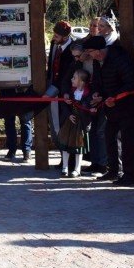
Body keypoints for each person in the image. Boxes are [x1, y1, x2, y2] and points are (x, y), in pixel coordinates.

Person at [82, 35, 134, 185]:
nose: (88, 55)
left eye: (89, 52)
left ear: (97, 51)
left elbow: (132, 84)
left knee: (129, 142)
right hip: (112, 106)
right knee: (109, 137)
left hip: (131, 106)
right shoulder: (98, 62)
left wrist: (113, 98)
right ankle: (114, 171)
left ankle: (130, 176)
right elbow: (97, 82)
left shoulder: (120, 58)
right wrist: (97, 94)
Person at [68, 40, 106, 174]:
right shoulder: (79, 64)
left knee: (101, 132)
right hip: (89, 103)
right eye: (75, 57)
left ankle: (103, 164)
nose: (77, 59)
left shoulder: (96, 61)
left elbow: (99, 79)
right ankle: (94, 162)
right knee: (93, 133)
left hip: (98, 100)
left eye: (79, 56)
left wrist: (97, 95)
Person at [46, 21, 75, 163]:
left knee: (66, 124)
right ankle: (62, 156)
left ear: (65, 36)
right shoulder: (54, 44)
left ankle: (69, 159)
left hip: (66, 92)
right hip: (53, 90)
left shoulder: (73, 49)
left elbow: (66, 75)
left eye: (57, 35)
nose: (54, 37)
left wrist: (52, 91)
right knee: (56, 125)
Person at [59, 68, 95, 177]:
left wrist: (90, 110)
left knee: (79, 147)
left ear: (81, 82)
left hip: (81, 124)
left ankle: (77, 169)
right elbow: (64, 105)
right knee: (65, 144)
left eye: (74, 78)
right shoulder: (70, 92)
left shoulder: (89, 94)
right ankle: (64, 167)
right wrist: (69, 115)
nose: (71, 79)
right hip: (69, 122)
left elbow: (90, 108)